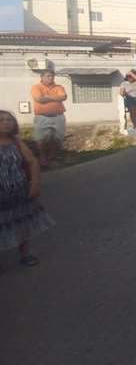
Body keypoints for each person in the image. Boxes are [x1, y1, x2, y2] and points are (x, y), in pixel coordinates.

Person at [0, 110, 54, 267]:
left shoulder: (16, 142)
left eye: (9, 120)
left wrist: (35, 183)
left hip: (19, 191)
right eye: (1, 120)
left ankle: (25, 254)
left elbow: (32, 162)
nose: (6, 122)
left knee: (21, 224)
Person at [30, 70, 67, 167]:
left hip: (58, 116)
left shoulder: (59, 87)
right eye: (48, 76)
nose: (51, 78)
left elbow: (63, 97)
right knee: (40, 139)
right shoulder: (36, 87)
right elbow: (39, 99)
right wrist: (55, 98)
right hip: (42, 117)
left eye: (52, 76)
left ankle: (51, 157)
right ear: (42, 77)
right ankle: (42, 158)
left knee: (58, 139)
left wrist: (47, 97)